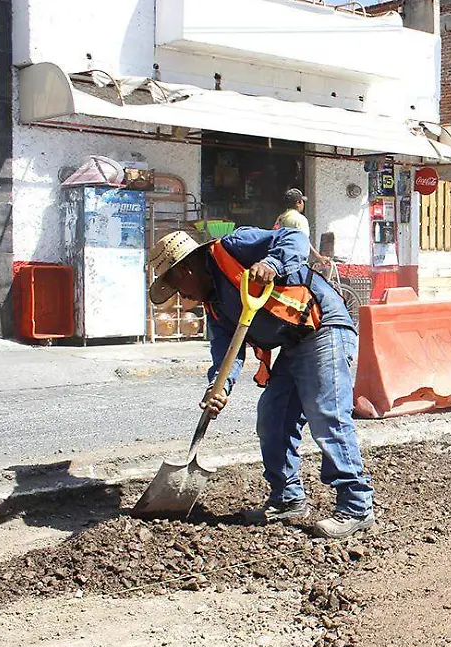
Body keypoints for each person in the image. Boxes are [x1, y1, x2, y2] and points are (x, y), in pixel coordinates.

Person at [147, 227, 374, 538]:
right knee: (272, 418)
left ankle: (356, 505)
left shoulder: (234, 246)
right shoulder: (215, 307)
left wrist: (272, 264)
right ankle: (287, 499)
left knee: (327, 414)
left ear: (186, 270)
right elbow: (227, 355)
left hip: (323, 327)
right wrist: (218, 388)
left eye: (177, 287)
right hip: (293, 343)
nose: (181, 297)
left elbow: (295, 238)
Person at [275, 188, 329, 267]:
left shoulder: (281, 218)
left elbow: (274, 235)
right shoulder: (300, 219)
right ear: (299, 202)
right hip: (294, 262)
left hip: (279, 260)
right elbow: (304, 241)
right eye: (302, 201)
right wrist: (318, 257)